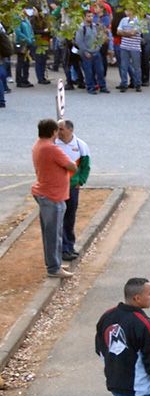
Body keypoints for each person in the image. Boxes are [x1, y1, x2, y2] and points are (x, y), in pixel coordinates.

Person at [32, 119, 77, 279]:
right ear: (53, 132)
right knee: (54, 233)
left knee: (50, 232)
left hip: (46, 193)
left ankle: (54, 262)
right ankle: (54, 267)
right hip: (53, 195)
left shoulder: (39, 144)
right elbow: (72, 166)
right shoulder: (51, 149)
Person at [54, 119, 90, 262]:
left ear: (70, 130)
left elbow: (86, 166)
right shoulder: (54, 144)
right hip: (58, 188)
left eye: (61, 129)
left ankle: (70, 246)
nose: (58, 132)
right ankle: (63, 249)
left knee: (70, 218)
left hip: (72, 188)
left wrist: (80, 181)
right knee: (60, 218)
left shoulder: (81, 145)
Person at [115, 9, 143, 92]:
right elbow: (118, 32)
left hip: (135, 47)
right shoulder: (123, 20)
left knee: (136, 67)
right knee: (123, 66)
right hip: (124, 46)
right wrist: (128, 33)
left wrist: (124, 33)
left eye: (128, 10)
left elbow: (133, 33)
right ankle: (124, 84)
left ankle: (138, 84)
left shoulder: (138, 20)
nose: (126, 11)